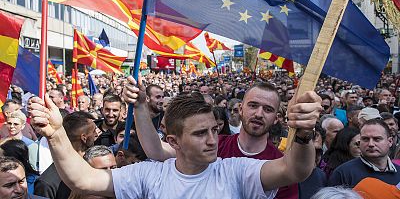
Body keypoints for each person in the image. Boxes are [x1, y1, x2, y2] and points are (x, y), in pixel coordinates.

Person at [28, 81, 321, 199]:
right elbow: (83, 180)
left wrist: (305, 133)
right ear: (174, 141)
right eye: (199, 133)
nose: (212, 140)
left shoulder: (236, 171)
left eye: (212, 130)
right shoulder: (148, 174)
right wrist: (56, 135)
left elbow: (294, 170)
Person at [122, 77, 322, 199]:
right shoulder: (215, 144)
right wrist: (140, 106)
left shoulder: (278, 161)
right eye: (253, 105)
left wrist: (304, 132)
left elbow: (297, 170)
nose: (259, 114)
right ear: (240, 108)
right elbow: (156, 150)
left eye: (268, 109)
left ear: (277, 117)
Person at [34, 112, 99, 199]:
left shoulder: (95, 168)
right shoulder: (47, 182)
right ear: (84, 137)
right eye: (94, 131)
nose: (96, 134)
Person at [328, 119, 400, 187]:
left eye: (377, 139)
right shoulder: (343, 173)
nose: (371, 144)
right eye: (365, 139)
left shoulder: (398, 171)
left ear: (390, 141)